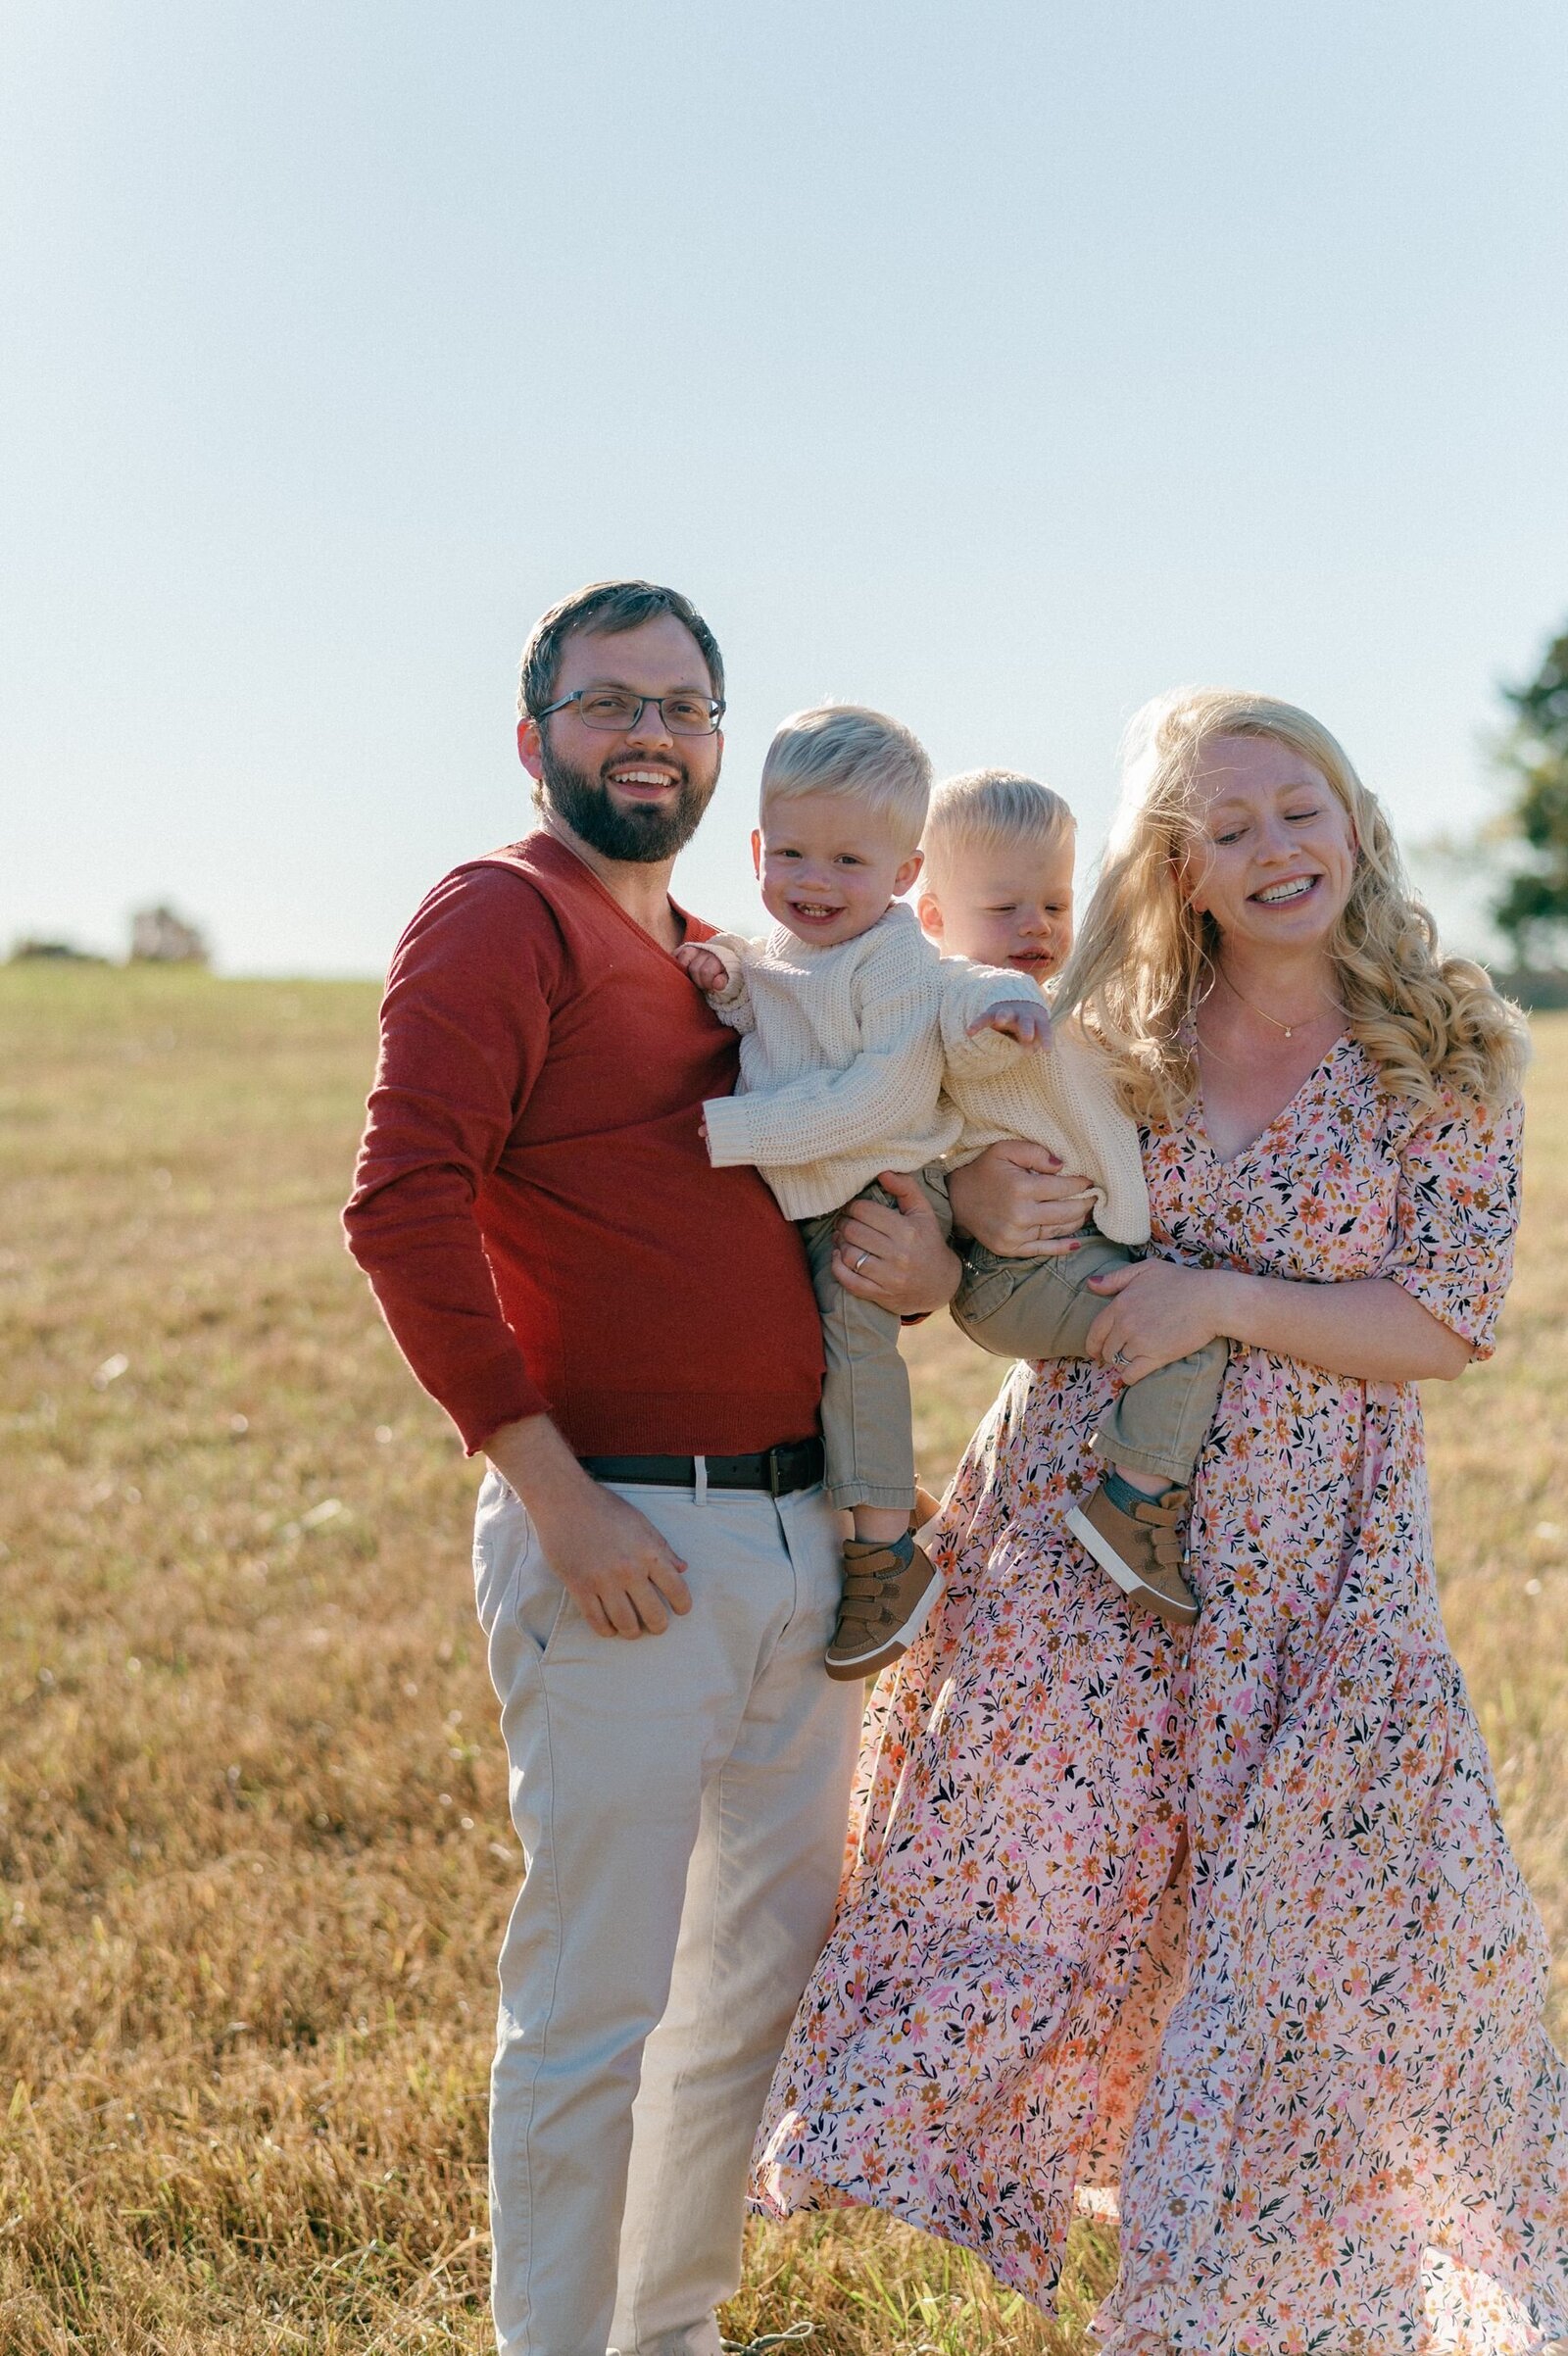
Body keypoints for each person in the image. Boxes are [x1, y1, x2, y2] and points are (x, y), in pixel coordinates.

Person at [753, 690, 1568, 2354]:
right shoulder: (1105, 1032)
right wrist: (977, 1207)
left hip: (1314, 1561)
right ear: (1180, 867)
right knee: (1043, 1877)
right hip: (1082, 1536)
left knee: (1343, 1938)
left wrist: (1213, 1295)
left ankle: (1282, 2291)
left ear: (1355, 819)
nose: (1279, 845)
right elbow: (975, 1216)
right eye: (1233, 825)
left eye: (1303, 807)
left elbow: (1443, 1319)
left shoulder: (1455, 1041)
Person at [341, 579, 963, 2356]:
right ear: (533, 735)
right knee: (592, 2003)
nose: (650, 731)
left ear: (719, 746)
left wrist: (920, 1272)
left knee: (743, 2000)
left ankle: (668, 2329)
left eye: (685, 704)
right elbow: (400, 1204)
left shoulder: (731, 961)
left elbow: (808, 1199)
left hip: (801, 1535)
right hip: (623, 1526)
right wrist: (553, 1489)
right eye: (611, 700)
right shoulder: (497, 913)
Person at [674, 706, 1045, 1679]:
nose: (814, 882)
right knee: (802, 1358)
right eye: (791, 853)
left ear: (905, 874)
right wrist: (722, 981)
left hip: (875, 1181)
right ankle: (882, 1499)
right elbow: (765, 1004)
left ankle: (883, 1553)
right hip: (804, 1189)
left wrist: (728, 1134)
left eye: (848, 861)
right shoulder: (779, 947)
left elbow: (868, 1098)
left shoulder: (894, 961)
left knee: (854, 1343)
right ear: (755, 847)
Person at [919, 767, 1230, 1624]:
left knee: (1174, 1320)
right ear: (935, 918)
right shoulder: (964, 1003)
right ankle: (1130, 1505)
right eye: (1005, 908)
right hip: (1014, 1273)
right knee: (1179, 1336)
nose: (1036, 928)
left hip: (1045, 1260)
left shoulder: (1058, 1009)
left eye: (1054, 906)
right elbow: (965, 1046)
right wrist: (999, 1013)